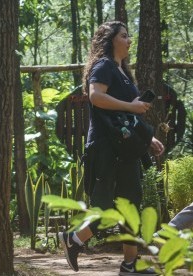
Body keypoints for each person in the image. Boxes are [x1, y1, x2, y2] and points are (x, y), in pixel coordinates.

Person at [58, 21, 165, 276]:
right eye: (124, 36)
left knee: (131, 203)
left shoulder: (123, 72)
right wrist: (131, 107)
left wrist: (147, 139)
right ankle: (74, 238)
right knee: (105, 205)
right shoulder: (104, 65)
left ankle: (129, 265)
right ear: (110, 40)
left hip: (125, 149)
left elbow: (127, 116)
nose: (129, 40)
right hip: (106, 149)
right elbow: (95, 96)